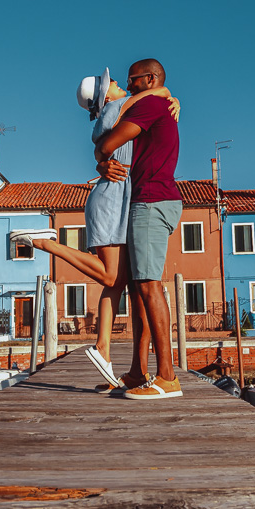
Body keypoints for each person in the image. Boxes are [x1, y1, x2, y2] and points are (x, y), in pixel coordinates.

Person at [9, 68, 178, 389]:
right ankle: (48, 244)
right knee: (114, 276)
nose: (120, 84)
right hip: (115, 198)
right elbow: (149, 96)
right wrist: (167, 94)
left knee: (123, 283)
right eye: (113, 84)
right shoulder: (120, 108)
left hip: (120, 197)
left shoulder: (118, 110)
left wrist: (167, 95)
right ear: (104, 97)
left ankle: (126, 364)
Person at [95, 58, 183, 401]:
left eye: (133, 81)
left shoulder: (150, 104)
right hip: (145, 200)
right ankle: (137, 371)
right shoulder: (158, 100)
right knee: (137, 289)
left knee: (149, 286)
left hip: (151, 201)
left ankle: (168, 377)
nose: (128, 87)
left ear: (148, 79)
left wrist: (103, 157)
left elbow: (107, 142)